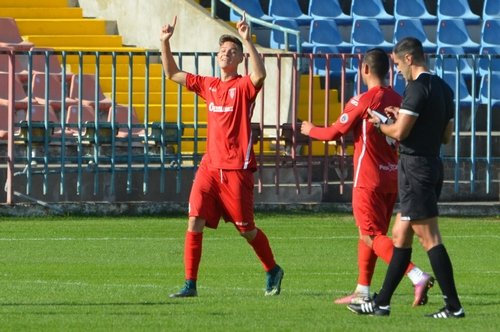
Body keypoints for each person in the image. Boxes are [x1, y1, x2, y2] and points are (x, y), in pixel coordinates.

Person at [160, 13, 284, 298]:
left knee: (246, 229)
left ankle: (272, 268)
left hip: (236, 170)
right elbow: (172, 74)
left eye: (232, 51)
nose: (226, 55)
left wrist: (247, 39)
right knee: (194, 220)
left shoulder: (243, 87)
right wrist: (164, 42)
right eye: (222, 51)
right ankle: (190, 284)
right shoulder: (209, 86)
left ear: (240, 58)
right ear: (217, 58)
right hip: (209, 167)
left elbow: (260, 74)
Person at [301, 48, 433, 307]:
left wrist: (310, 129)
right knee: (369, 235)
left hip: (368, 179)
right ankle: (362, 290)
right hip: (391, 178)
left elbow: (332, 133)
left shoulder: (362, 100)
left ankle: (416, 274)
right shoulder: (399, 98)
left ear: (365, 70)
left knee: (371, 235)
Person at [348, 38, 465, 318]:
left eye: (399, 64)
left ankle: (454, 307)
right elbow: (445, 135)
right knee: (400, 235)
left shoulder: (415, 88)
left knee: (430, 238)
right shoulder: (444, 89)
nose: (397, 70)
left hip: (416, 170)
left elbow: (399, 134)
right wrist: (403, 116)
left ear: (409, 59)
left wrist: (382, 124)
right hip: (431, 165)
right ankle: (382, 303)